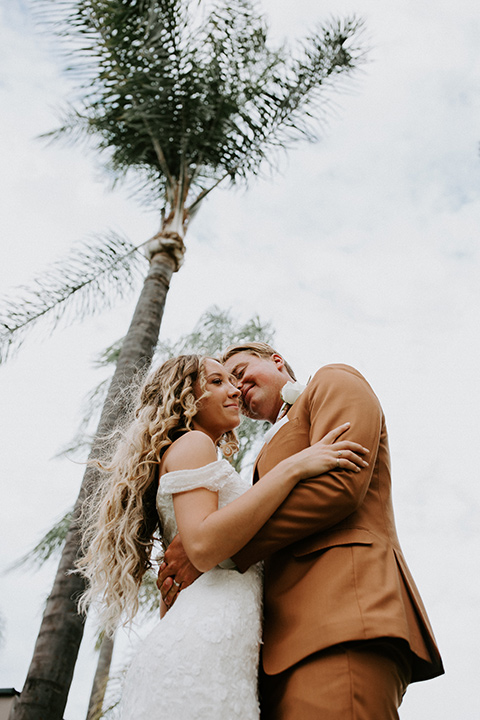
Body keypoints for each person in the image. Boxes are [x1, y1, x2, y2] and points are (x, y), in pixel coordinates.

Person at [159, 343, 444, 720]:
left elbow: (340, 485)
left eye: (241, 372)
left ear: (276, 361)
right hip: (275, 648)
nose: (236, 388)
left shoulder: (332, 380)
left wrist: (219, 551)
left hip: (341, 615)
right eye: (223, 381)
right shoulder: (249, 454)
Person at [77, 354, 369, 720]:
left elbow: (186, 566)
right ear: (185, 396)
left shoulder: (193, 451)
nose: (234, 390)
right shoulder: (195, 443)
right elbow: (201, 547)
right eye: (217, 382)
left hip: (213, 633)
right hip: (211, 638)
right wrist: (294, 466)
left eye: (233, 380)